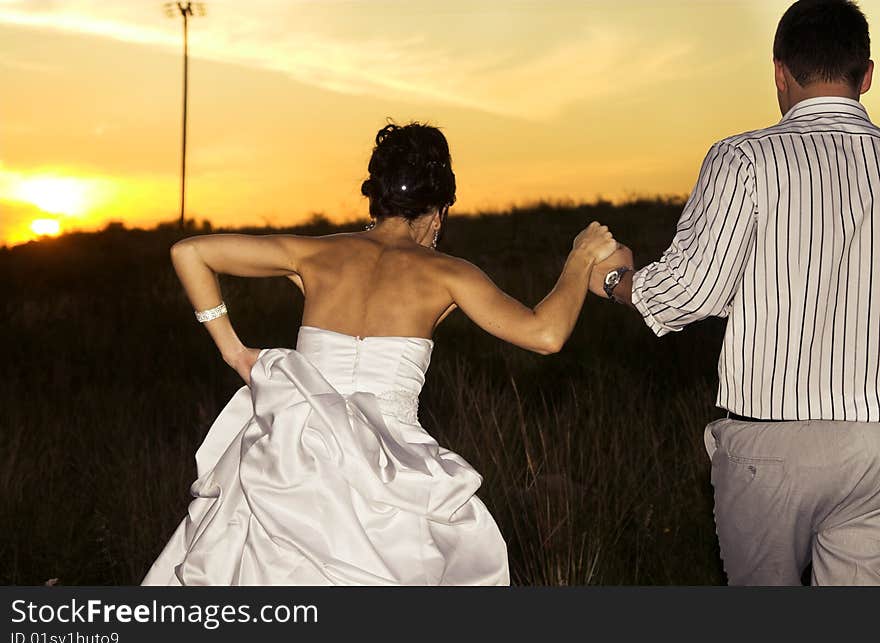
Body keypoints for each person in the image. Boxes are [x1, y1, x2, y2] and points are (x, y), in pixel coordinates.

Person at [141, 122, 617, 585]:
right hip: (389, 474)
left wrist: (237, 353)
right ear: (438, 210)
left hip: (292, 457)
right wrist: (579, 259)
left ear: (378, 198)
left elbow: (190, 253)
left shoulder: (315, 254)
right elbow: (546, 334)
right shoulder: (448, 273)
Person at [592, 0, 880, 585]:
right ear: (867, 74)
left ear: (779, 72)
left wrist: (616, 281)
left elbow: (689, 291)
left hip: (771, 440)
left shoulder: (745, 158)